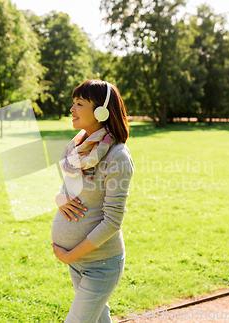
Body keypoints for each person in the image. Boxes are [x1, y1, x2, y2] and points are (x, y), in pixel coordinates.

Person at [50, 79, 134, 323]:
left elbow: (113, 221)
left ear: (101, 112)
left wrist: (70, 254)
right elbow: (67, 190)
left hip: (101, 264)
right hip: (78, 263)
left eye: (79, 104)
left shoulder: (117, 156)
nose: (71, 109)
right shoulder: (78, 148)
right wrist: (59, 198)